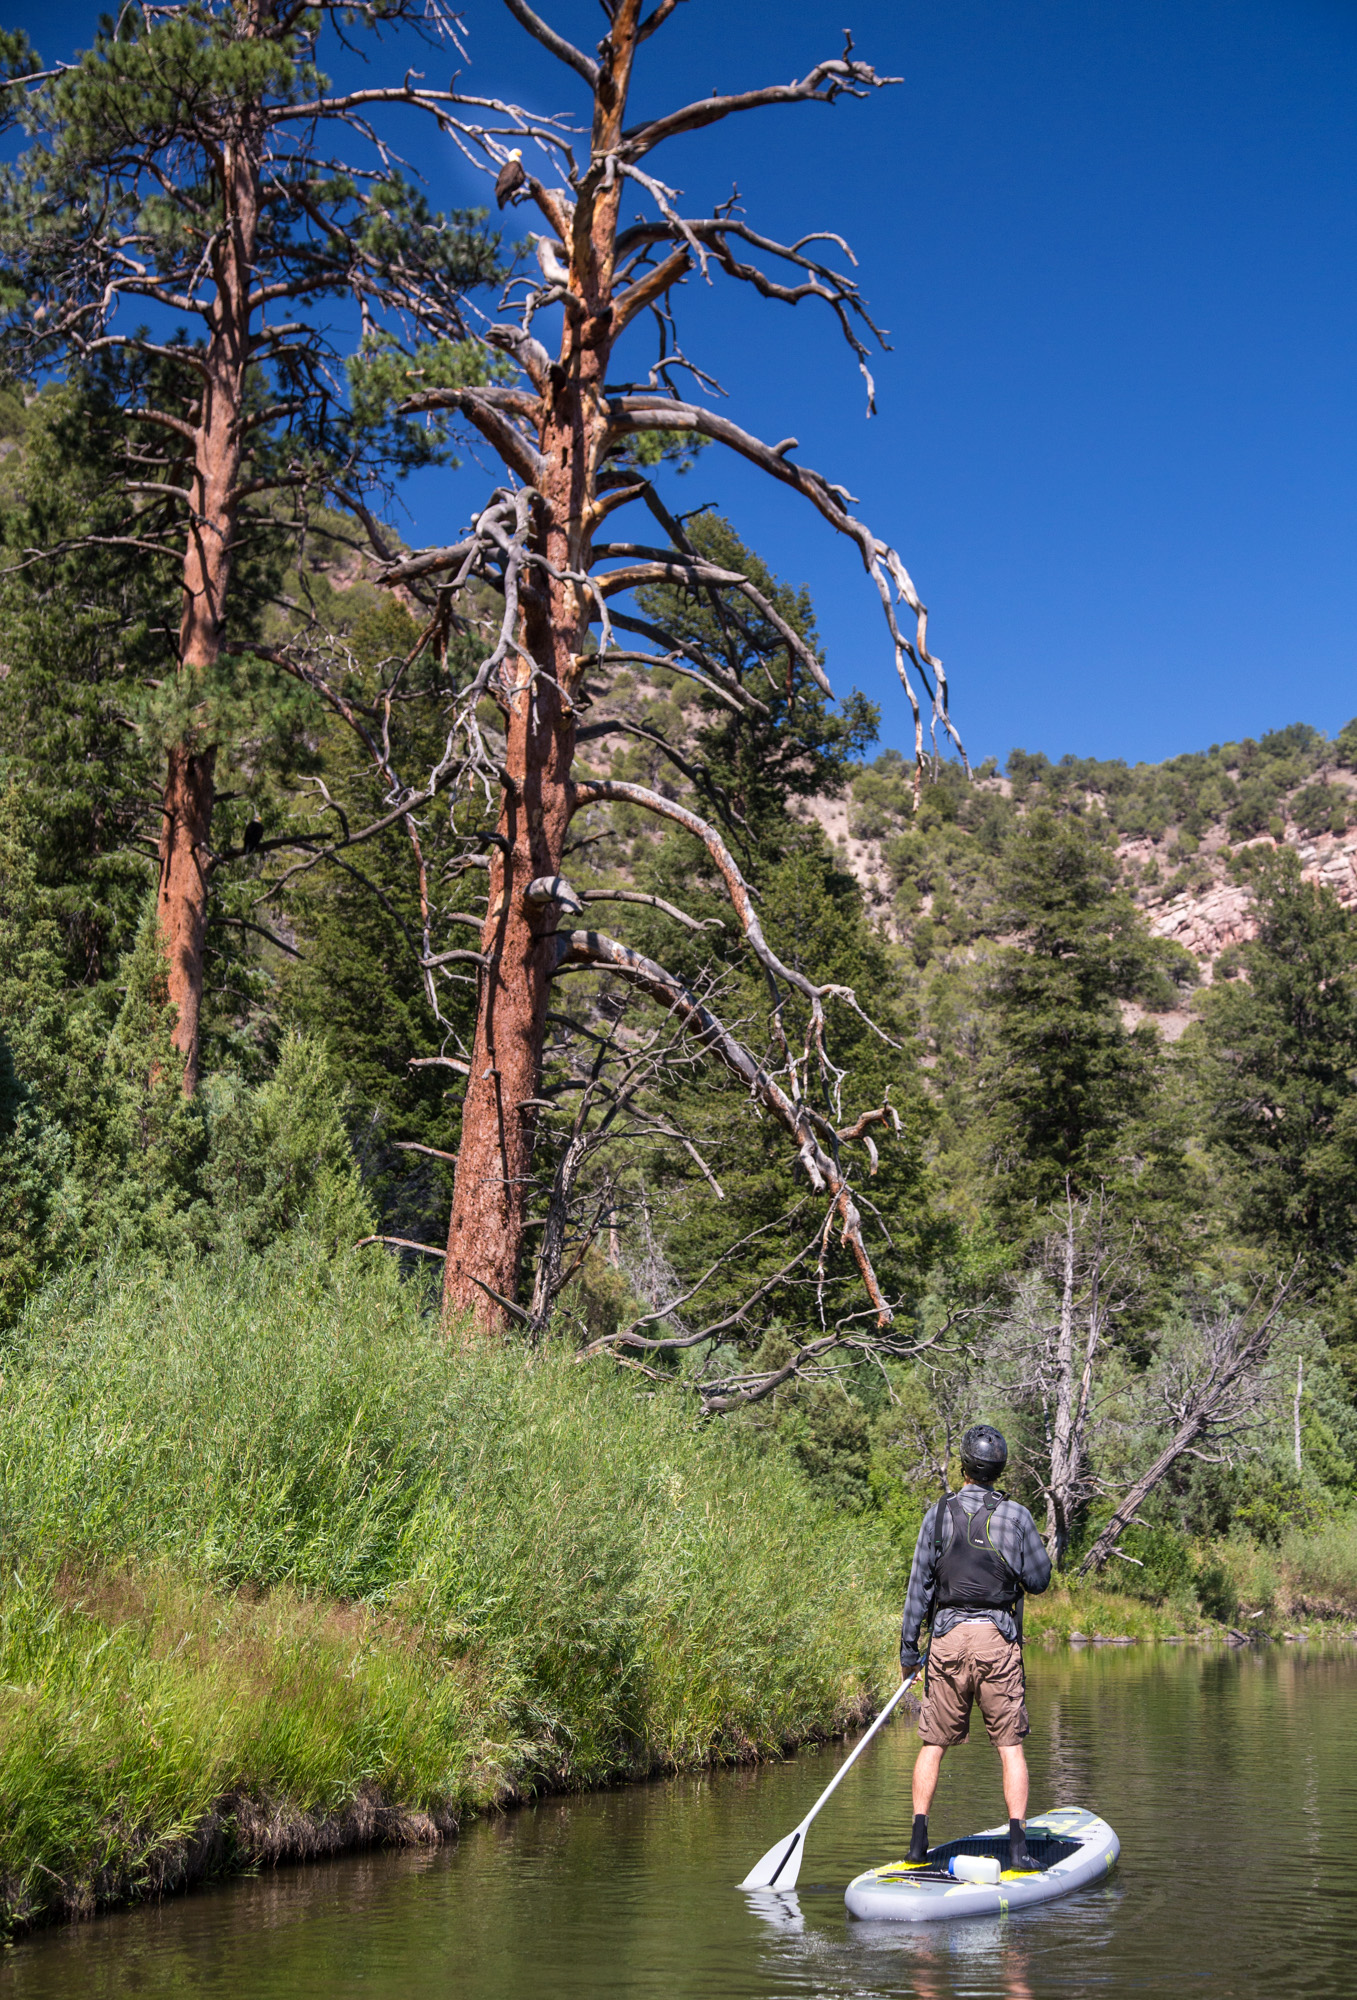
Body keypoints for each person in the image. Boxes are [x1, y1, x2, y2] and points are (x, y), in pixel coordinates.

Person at [898, 1423, 1052, 1869]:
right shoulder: (1018, 1517)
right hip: (996, 1642)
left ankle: (916, 1845)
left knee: (932, 1743)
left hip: (946, 1640)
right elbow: (1039, 1581)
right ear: (998, 1470)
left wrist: (910, 1653)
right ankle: (1019, 1850)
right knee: (1010, 1745)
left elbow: (918, 1589)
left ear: (964, 1467)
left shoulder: (937, 1513)